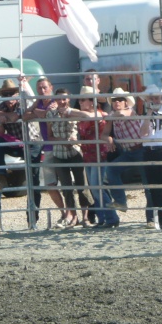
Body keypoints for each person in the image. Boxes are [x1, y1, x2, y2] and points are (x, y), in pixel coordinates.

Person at [0, 78, 43, 226]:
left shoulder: (23, 102)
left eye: (11, 93)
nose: (8, 97)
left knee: (34, 181)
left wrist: (2, 116)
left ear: (16, 94)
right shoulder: (1, 106)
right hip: (16, 143)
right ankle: (1, 175)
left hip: (32, 143)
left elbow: (14, 117)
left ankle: (32, 218)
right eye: (5, 94)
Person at [23, 77, 68, 229]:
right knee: (50, 185)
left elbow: (47, 113)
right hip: (48, 148)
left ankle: (73, 215)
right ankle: (64, 213)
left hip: (61, 146)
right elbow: (25, 116)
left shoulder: (56, 102)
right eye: (39, 88)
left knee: (67, 183)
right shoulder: (40, 103)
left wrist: (36, 111)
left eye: (44, 88)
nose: (42, 91)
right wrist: (37, 109)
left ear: (51, 87)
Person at [46, 88, 94, 228]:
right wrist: (61, 140)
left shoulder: (74, 112)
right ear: (55, 99)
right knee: (66, 187)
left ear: (69, 99)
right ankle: (73, 217)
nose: (62, 101)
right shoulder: (50, 114)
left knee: (82, 185)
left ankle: (85, 217)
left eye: (65, 98)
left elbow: (88, 118)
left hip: (75, 152)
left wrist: (75, 139)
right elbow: (49, 136)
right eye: (59, 98)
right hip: (59, 154)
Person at [105, 87, 152, 222]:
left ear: (126, 102)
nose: (117, 102)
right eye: (114, 100)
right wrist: (108, 138)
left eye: (120, 99)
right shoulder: (113, 116)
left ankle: (151, 218)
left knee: (147, 185)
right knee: (111, 170)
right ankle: (121, 201)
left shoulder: (129, 111)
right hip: (128, 152)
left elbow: (123, 115)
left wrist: (108, 118)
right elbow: (104, 133)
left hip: (141, 150)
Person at [77, 86, 119, 228]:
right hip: (88, 155)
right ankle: (103, 218)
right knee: (95, 188)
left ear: (92, 101)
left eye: (84, 100)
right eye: (81, 100)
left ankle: (111, 217)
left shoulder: (99, 115)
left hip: (99, 155)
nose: (81, 103)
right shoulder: (83, 118)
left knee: (97, 187)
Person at [141, 84, 162, 229]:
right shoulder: (145, 115)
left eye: (157, 97)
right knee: (154, 188)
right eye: (152, 98)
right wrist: (149, 112)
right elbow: (143, 133)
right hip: (150, 151)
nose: (155, 100)